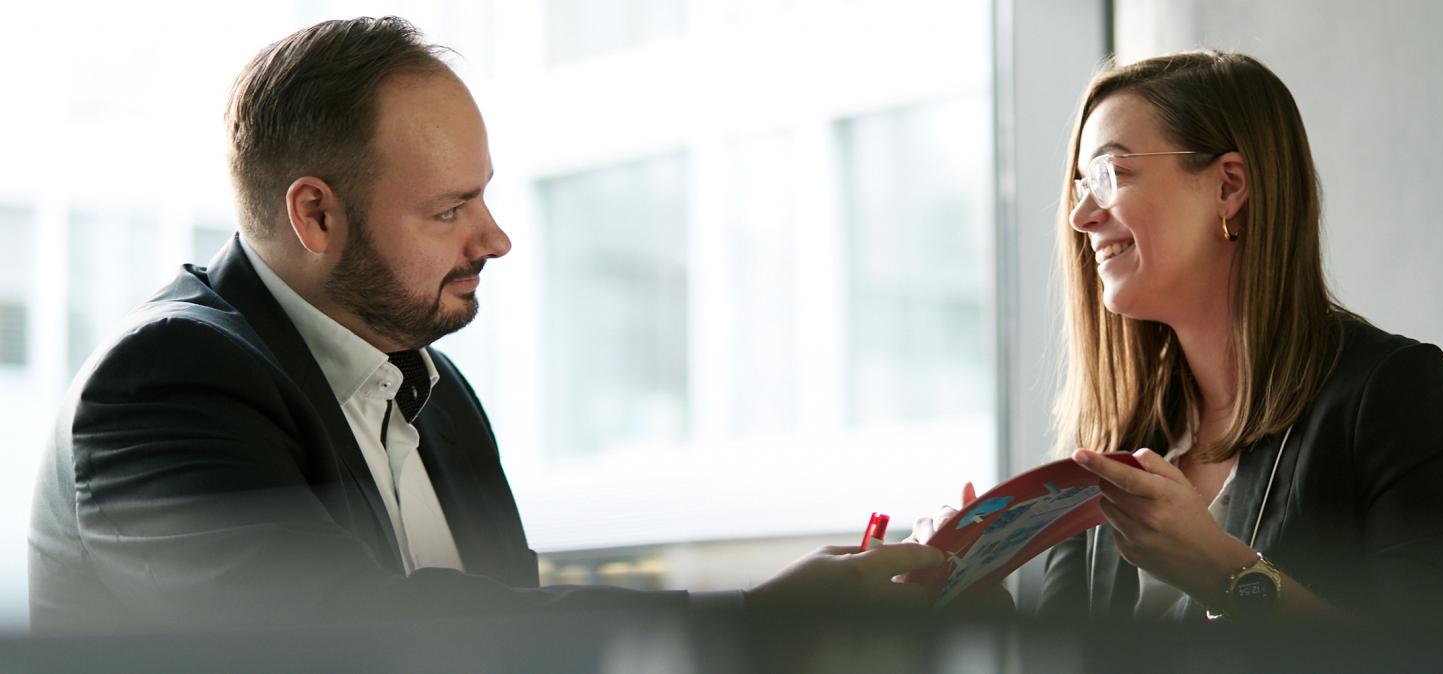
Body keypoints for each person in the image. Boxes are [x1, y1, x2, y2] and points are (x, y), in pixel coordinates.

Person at [28, 16, 943, 633]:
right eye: (449, 209)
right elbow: (357, 635)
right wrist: (751, 618)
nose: (495, 238)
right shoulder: (166, 381)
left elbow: (505, 611)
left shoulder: (431, 386)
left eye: (486, 196)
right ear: (315, 216)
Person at [1031, 51, 1443, 624]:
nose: (1080, 215)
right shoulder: (1111, 433)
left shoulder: (1391, 393)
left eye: (1109, 174)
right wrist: (970, 607)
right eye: (1079, 184)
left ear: (1229, 187)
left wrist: (1223, 573)